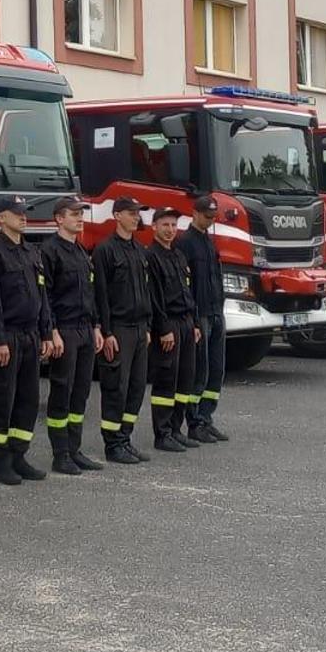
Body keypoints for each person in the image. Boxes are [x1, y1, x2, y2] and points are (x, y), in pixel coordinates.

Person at [0, 196, 59, 486]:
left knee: (28, 400)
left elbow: (42, 296)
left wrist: (46, 332)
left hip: (31, 335)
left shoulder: (31, 252)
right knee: (4, 400)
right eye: (17, 213)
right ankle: (1, 463)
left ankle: (19, 456)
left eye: (24, 213)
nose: (23, 217)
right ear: (1, 218)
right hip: (8, 336)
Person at [39, 197, 105, 475]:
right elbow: (46, 296)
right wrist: (51, 331)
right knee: (62, 390)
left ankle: (75, 450)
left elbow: (90, 293)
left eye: (81, 214)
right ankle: (60, 454)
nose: (79, 218)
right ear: (58, 219)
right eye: (73, 214)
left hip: (85, 329)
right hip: (64, 328)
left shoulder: (80, 251)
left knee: (81, 392)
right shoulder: (49, 251)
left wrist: (97, 326)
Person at [92, 197, 158, 464]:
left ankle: (125, 437)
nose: (136, 217)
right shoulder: (105, 251)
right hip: (118, 329)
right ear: (117, 215)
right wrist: (106, 332)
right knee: (115, 387)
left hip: (141, 328)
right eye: (131, 213)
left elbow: (146, 290)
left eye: (138, 213)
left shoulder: (139, 250)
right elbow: (101, 295)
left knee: (136, 387)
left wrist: (150, 326)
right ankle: (112, 444)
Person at [145, 206, 202, 454]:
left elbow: (188, 292)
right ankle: (163, 433)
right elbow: (154, 297)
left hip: (186, 323)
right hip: (168, 325)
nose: (170, 230)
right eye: (165, 225)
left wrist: (195, 323)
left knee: (185, 378)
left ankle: (176, 429)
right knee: (166, 380)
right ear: (154, 227)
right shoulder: (151, 257)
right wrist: (163, 328)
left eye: (173, 226)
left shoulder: (178, 256)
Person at [173, 194, 229, 442]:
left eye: (213, 217)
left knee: (216, 369)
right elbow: (184, 285)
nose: (210, 221)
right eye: (207, 217)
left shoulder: (208, 242)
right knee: (200, 371)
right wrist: (193, 317)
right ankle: (194, 422)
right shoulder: (185, 243)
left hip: (216, 311)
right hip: (200, 314)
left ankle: (207, 418)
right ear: (195, 213)